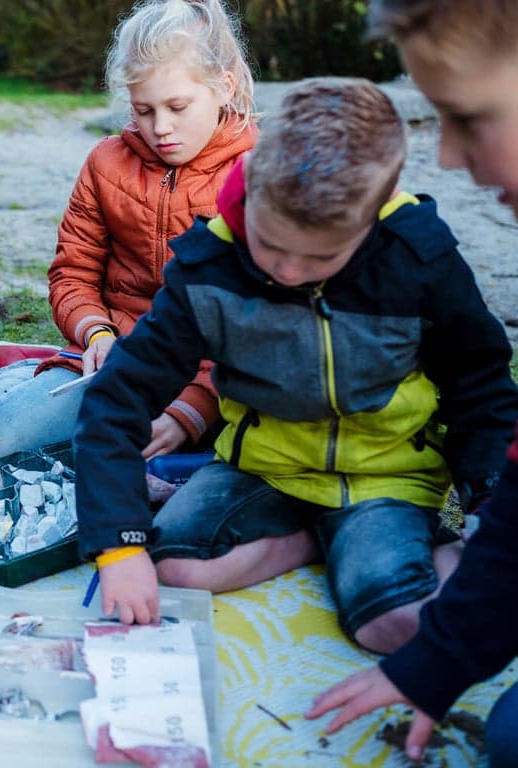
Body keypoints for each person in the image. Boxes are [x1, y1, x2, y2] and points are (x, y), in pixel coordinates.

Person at [73, 77, 518, 657]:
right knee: (173, 569)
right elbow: (118, 398)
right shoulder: (209, 264)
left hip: (381, 478)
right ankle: (315, 540)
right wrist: (119, 547)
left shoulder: (418, 256)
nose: (285, 270)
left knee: (392, 627)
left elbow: (481, 390)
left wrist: (489, 505)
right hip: (264, 467)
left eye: (319, 256)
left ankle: (385, 541)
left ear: (373, 218)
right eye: (270, 243)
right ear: (251, 190)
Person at [307, 3, 518, 764]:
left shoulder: (423, 256)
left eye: (468, 118)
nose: (454, 159)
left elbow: (481, 380)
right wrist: (434, 667)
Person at [0, 0, 256, 461]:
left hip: (222, 377)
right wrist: (96, 333)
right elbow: (72, 274)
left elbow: (259, 318)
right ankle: (17, 372)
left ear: (224, 87)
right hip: (114, 359)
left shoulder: (258, 173)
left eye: (177, 106)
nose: (161, 128)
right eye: (143, 110)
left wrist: (191, 412)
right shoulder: (105, 163)